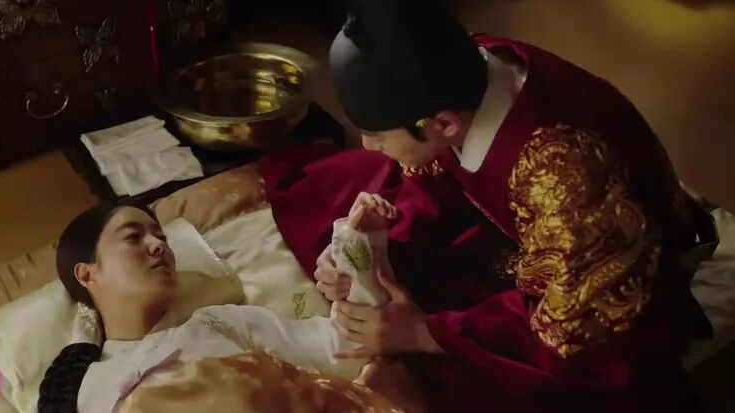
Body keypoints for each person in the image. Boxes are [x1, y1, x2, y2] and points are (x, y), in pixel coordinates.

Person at [259, 0, 717, 411]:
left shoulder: (564, 175)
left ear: (444, 124)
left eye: (376, 135)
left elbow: (576, 327)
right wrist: (376, 249)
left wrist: (423, 332)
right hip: (534, 229)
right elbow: (436, 180)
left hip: (605, 281)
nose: (366, 144)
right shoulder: (462, 68)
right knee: (357, 219)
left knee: (452, 381)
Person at [35, 200, 411, 413]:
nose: (159, 245)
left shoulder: (219, 322)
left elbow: (346, 346)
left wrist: (357, 251)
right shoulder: (87, 388)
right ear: (87, 274)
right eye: (133, 237)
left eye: (161, 237)